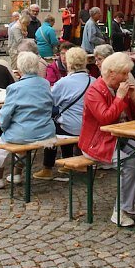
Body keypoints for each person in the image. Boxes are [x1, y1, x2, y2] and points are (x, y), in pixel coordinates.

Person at [79, 52, 135, 227]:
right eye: (124, 73)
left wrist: (133, 99)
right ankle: (120, 210)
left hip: (117, 138)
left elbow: (132, 118)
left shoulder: (117, 88)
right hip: (96, 143)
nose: (127, 77)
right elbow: (105, 118)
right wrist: (120, 98)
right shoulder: (94, 91)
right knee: (130, 163)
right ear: (112, 72)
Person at [0, 51, 55, 188]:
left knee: (3, 142)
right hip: (45, 131)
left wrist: (2, 125)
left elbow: (5, 116)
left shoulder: (15, 88)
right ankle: (16, 174)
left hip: (24, 133)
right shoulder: (45, 84)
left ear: (19, 69)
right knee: (20, 138)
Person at [34, 46, 97, 180]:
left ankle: (47, 168)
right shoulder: (94, 81)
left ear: (68, 63)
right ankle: (67, 163)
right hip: (89, 127)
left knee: (52, 125)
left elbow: (50, 102)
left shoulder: (63, 83)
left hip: (70, 127)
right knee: (64, 120)